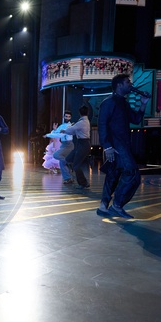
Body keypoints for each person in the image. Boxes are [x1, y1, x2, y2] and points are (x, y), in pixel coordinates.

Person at [97, 73, 149, 218]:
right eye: (128, 82)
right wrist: (107, 146)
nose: (130, 84)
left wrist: (143, 104)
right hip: (115, 145)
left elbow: (136, 119)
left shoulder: (124, 103)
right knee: (132, 174)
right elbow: (102, 125)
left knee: (113, 176)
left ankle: (103, 207)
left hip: (122, 145)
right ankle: (117, 206)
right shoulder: (108, 102)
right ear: (119, 85)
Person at [62, 104, 91, 189]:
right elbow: (74, 131)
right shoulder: (84, 121)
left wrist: (64, 131)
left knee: (76, 165)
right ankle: (74, 177)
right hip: (81, 144)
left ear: (79, 113)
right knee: (68, 159)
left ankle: (83, 183)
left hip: (83, 144)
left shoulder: (82, 122)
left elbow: (71, 130)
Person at [52, 110, 75, 185]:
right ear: (63, 117)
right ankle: (68, 178)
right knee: (62, 163)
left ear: (71, 117)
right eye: (66, 116)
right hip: (63, 144)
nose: (67, 118)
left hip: (69, 144)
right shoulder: (61, 126)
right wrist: (55, 129)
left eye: (69, 117)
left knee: (56, 155)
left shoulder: (71, 125)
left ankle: (68, 163)